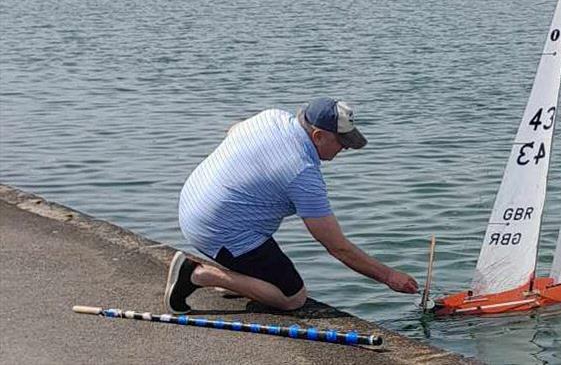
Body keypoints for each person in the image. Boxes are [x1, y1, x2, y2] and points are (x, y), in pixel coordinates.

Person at [165, 98, 419, 314]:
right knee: (293, 298)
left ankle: (239, 278)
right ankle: (198, 275)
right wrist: (389, 277)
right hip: (219, 233)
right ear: (318, 136)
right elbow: (337, 247)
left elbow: (233, 130)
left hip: (190, 204)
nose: (345, 148)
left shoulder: (271, 117)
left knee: (262, 243)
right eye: (342, 142)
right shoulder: (302, 173)